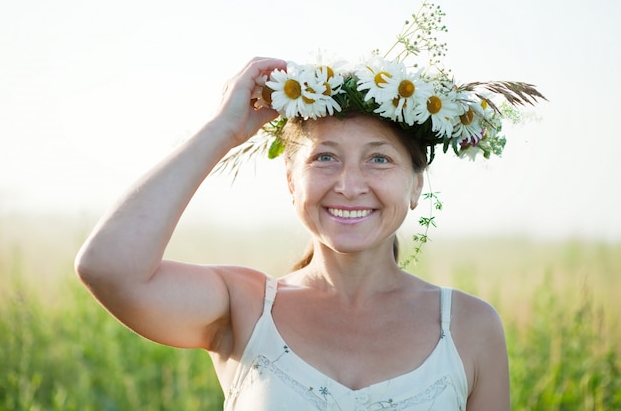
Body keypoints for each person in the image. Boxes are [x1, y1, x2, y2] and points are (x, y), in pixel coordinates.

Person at [76, 56, 524, 411]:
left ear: (415, 186)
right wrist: (223, 129)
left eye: (379, 159)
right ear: (291, 182)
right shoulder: (244, 307)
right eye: (324, 158)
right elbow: (108, 268)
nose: (349, 185)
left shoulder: (467, 326)